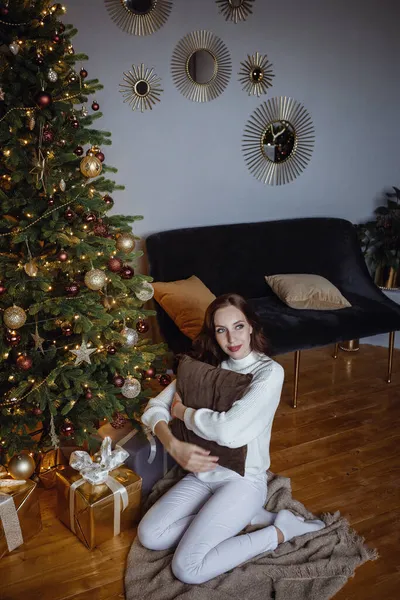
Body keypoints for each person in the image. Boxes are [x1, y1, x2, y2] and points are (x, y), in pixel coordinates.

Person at [137, 293, 325, 585]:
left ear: (251, 326)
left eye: (238, 326)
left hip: (243, 480)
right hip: (203, 474)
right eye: (221, 330)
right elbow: (153, 408)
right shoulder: (207, 368)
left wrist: (184, 412)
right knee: (150, 535)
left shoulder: (269, 373)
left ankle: (280, 530)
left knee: (188, 568)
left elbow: (229, 432)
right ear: (213, 334)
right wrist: (173, 444)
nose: (231, 338)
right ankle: (247, 518)